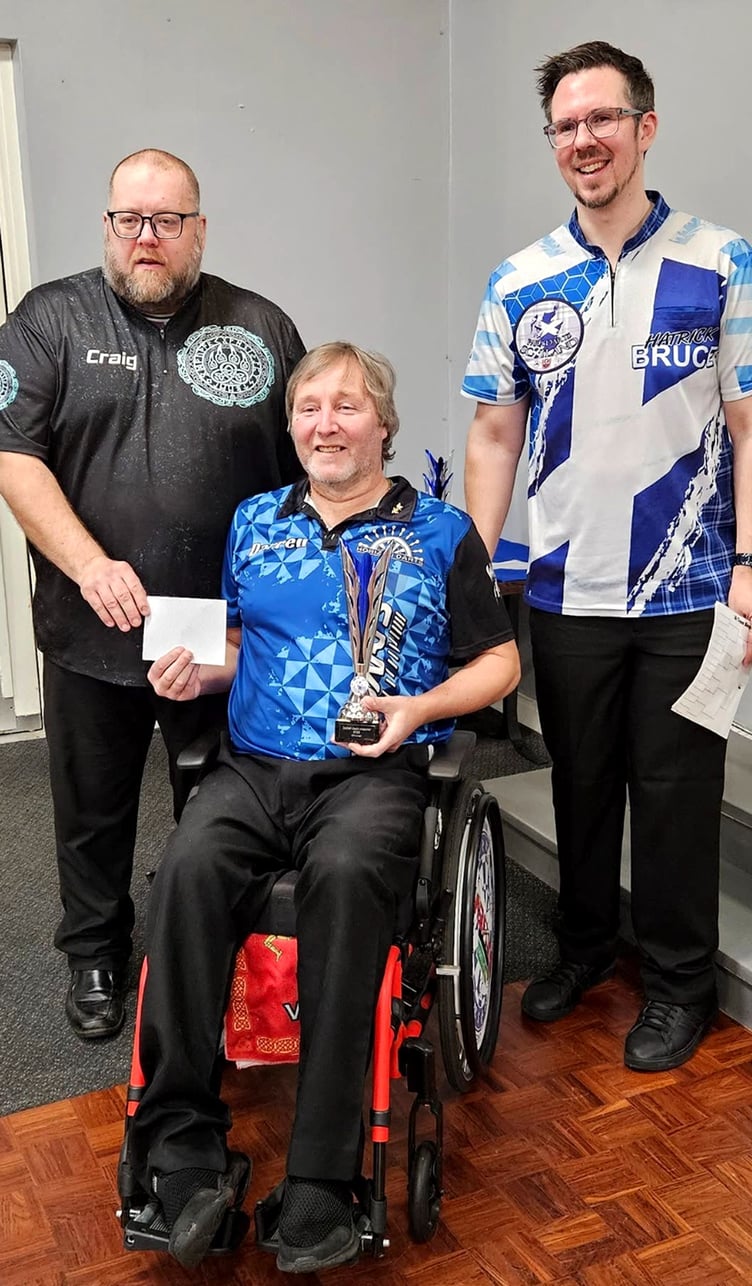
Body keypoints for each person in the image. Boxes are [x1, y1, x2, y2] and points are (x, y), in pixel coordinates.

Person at [127, 341, 520, 1272]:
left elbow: (499, 662)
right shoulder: (256, 519)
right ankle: (181, 1150)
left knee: (346, 880)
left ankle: (321, 1177)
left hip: (372, 776)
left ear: (383, 423)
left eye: (348, 407)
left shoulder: (440, 531)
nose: (326, 424)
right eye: (310, 408)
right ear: (292, 426)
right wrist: (191, 674)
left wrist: (420, 711)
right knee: (185, 872)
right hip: (255, 769)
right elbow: (233, 645)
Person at [462, 40, 752, 1073]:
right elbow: (493, 434)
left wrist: (749, 566)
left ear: (644, 127)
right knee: (579, 779)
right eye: (564, 125)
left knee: (675, 789)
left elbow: (748, 424)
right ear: (553, 143)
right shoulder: (517, 279)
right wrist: (472, 564)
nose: (582, 139)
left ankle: (676, 982)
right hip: (565, 587)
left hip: (686, 588)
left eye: (601, 118)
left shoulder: (721, 259)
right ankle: (583, 946)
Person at [0, 149, 305, 1039]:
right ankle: (95, 952)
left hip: (220, 634)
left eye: (167, 221)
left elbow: (304, 468)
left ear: (198, 229)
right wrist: (90, 565)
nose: (147, 238)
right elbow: (15, 458)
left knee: (220, 801)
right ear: (106, 226)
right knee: (91, 805)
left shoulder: (260, 325)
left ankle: (218, 944)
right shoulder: (47, 320)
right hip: (92, 623)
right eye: (129, 220)